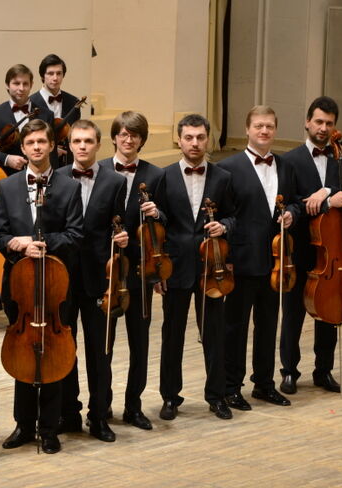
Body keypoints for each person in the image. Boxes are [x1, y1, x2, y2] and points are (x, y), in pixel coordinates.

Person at [0, 119, 83, 454]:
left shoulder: (70, 187)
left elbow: (75, 235)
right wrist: (16, 244)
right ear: (23, 147)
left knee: (53, 353)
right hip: (20, 284)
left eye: (41, 142)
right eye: (30, 143)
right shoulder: (7, 186)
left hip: (56, 285)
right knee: (23, 351)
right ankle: (23, 424)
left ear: (51, 146)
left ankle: (49, 428)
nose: (36, 148)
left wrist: (43, 243)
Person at [279, 96, 342, 394]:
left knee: (329, 312)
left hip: (334, 251)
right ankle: (289, 371)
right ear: (307, 122)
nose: (323, 128)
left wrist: (327, 191)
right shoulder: (290, 160)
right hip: (301, 247)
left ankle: (323, 371)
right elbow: (288, 202)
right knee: (293, 314)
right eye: (318, 122)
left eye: (329, 123)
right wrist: (326, 201)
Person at [219, 106, 299, 411]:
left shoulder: (286, 166)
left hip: (276, 260)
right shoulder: (227, 167)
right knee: (235, 328)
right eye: (258, 126)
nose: (264, 131)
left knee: (267, 325)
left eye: (269, 126)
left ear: (275, 130)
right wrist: (225, 258)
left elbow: (296, 202)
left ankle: (264, 384)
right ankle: (231, 387)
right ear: (247, 129)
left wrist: (292, 213)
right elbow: (224, 215)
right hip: (240, 260)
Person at [154, 114, 234, 421]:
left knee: (215, 335)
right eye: (188, 137)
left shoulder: (222, 177)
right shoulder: (164, 177)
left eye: (200, 137)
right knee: (172, 336)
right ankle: (170, 397)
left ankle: (217, 396)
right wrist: (158, 270)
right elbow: (158, 227)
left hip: (212, 267)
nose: (195, 143)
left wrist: (224, 226)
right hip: (175, 268)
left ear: (208, 139)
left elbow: (234, 216)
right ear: (179, 140)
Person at [57, 119, 127, 442]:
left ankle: (99, 417)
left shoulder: (115, 181)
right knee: (65, 349)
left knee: (101, 352)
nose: (82, 146)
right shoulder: (57, 178)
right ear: (69, 145)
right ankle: (68, 413)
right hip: (64, 277)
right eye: (77, 141)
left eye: (88, 141)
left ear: (99, 144)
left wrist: (124, 236)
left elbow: (119, 223)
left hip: (100, 277)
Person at [97, 111, 164, 431]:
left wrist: (157, 212)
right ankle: (103, 404)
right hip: (108, 269)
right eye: (123, 134)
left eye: (134, 135)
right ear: (114, 137)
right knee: (104, 344)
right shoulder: (98, 170)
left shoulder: (156, 175)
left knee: (140, 344)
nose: (128, 139)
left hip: (139, 269)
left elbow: (168, 222)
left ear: (141, 139)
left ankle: (133, 407)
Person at [0, 64, 56, 175]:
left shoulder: (47, 115)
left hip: (40, 176)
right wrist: (6, 159)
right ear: (7, 85)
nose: (21, 88)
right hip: (4, 177)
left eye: (25, 84)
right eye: (16, 83)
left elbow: (52, 154)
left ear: (31, 85)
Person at [29, 54, 82, 167]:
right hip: (41, 164)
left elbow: (75, 135)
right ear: (42, 76)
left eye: (59, 73)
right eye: (50, 73)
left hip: (68, 164)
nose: (55, 78)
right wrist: (51, 151)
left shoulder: (74, 102)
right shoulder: (30, 103)